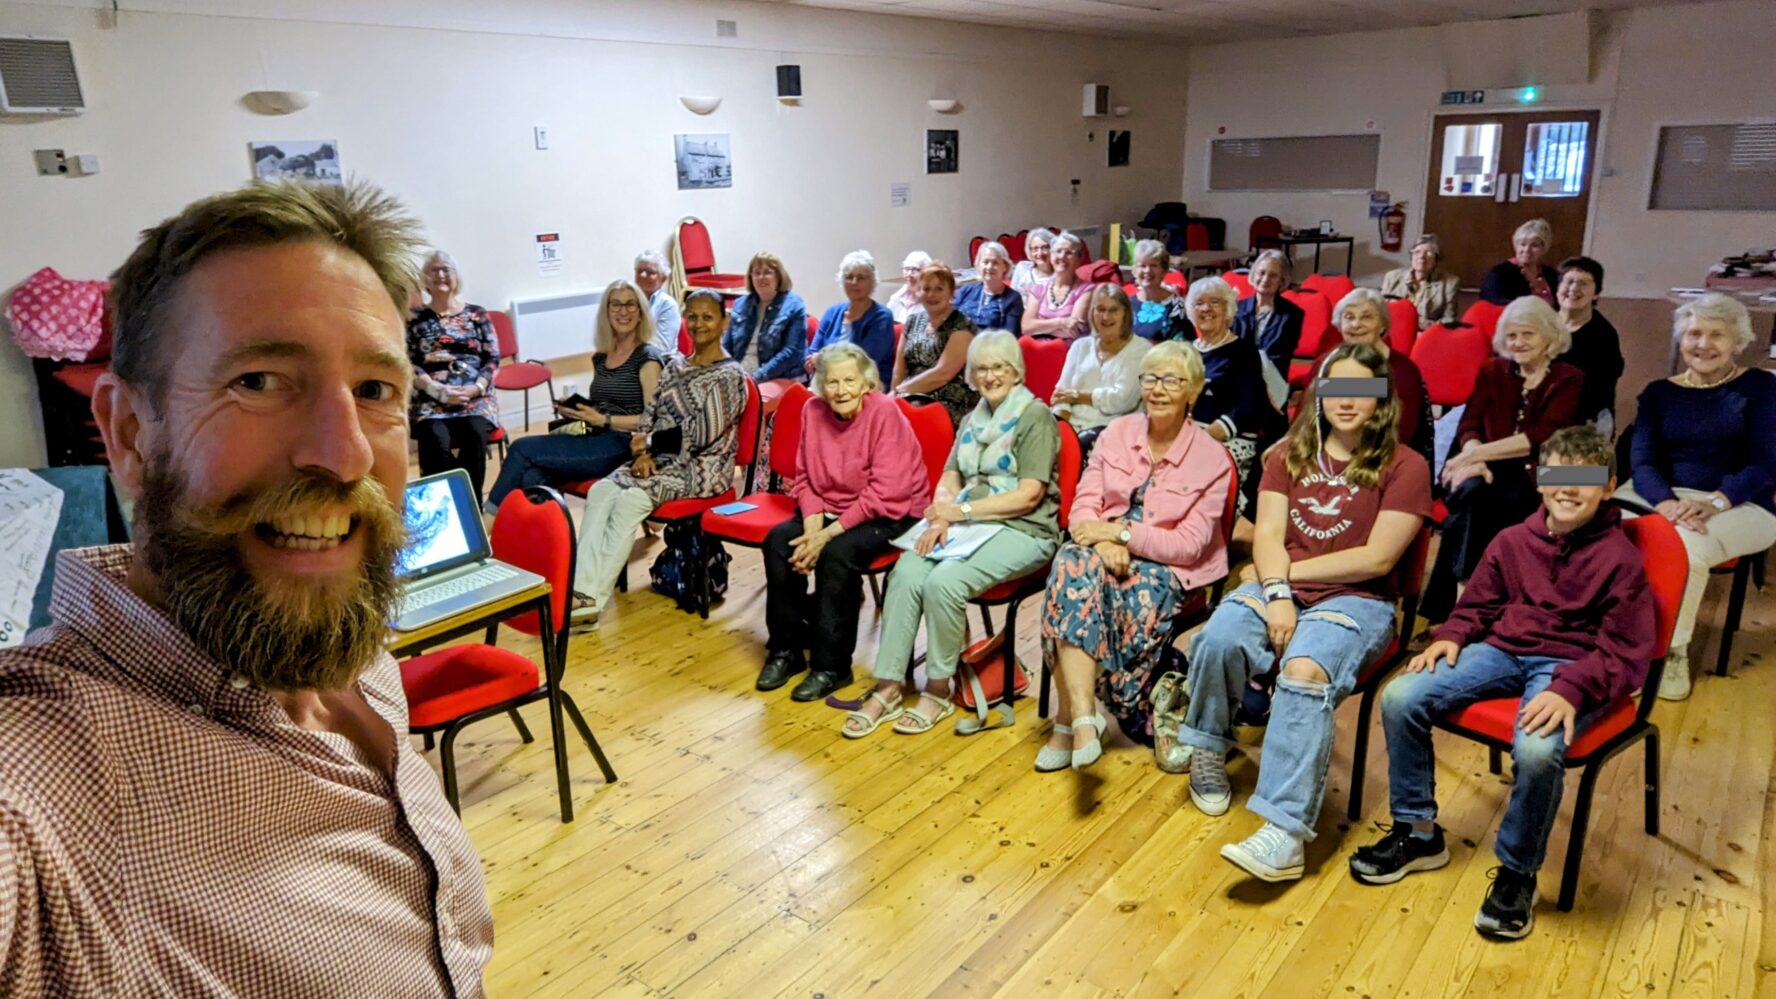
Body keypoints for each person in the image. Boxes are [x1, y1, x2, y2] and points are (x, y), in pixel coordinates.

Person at [0, 180, 492, 993]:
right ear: (126, 432)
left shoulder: (350, 651)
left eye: (375, 391)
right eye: (259, 381)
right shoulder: (48, 797)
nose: (345, 457)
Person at [1353, 426, 1655, 941]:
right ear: (1541, 481)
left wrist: (1571, 689)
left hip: (1571, 669)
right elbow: (1479, 605)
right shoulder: (1514, 539)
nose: (1567, 488)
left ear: (1608, 488)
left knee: (1537, 751)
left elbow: (1626, 653)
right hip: (1503, 650)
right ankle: (1419, 831)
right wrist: (1451, 635)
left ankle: (1518, 872)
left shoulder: (1621, 560)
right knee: (1403, 696)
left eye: (1584, 479)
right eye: (1558, 474)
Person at [1178, 343, 1431, 883]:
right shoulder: (1288, 455)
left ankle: (1284, 832)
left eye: (1361, 391)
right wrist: (1275, 593)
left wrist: (1283, 581)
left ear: (1380, 400)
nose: (1346, 402)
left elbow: (1377, 558)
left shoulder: (1407, 465)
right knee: (1220, 635)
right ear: (1319, 393)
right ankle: (1207, 748)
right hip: (1281, 582)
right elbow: (1266, 535)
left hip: (1358, 599)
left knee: (1304, 671)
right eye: (1336, 387)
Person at [842, 330, 1062, 738]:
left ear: (1015, 371)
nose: (990, 376)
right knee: (906, 571)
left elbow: (1029, 495)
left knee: (945, 581)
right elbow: (950, 474)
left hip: (1024, 529)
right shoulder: (972, 417)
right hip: (968, 523)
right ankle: (889, 684)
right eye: (981, 368)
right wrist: (941, 519)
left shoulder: (1035, 416)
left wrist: (957, 511)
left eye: (999, 367)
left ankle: (939, 689)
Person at [1037, 341, 1232, 771]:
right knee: (1072, 565)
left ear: (1193, 392)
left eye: (1171, 380)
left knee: (1084, 585)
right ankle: (1083, 719)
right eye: (1150, 378)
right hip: (1101, 549)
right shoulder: (1118, 432)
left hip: (1168, 569)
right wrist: (1104, 542)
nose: (1158, 389)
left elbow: (1188, 545)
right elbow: (1084, 505)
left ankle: (1067, 719)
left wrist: (1121, 533)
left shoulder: (1211, 457)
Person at [1618, 293, 1776, 700]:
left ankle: (1670, 651)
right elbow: (1643, 461)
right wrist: (1667, 504)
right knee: (1598, 530)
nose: (1703, 344)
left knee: (1682, 547)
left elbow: (1766, 464)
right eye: (1694, 333)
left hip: (1741, 502)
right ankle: (1610, 640)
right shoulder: (1657, 393)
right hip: (1659, 496)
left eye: (1715, 335)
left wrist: (1717, 501)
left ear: (1737, 341)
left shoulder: (1761, 389)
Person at [757, 344, 930, 701]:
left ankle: (831, 667)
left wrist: (824, 536)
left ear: (867, 382)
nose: (841, 390)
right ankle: (785, 651)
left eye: (850, 380)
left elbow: (886, 492)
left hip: (893, 512)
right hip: (833, 507)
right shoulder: (812, 410)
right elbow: (804, 478)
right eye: (832, 382)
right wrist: (810, 529)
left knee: (837, 553)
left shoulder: (884, 412)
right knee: (778, 542)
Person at [572, 289, 748, 626]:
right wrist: (640, 449)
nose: (698, 324)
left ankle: (593, 598)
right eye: (692, 316)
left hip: (702, 468)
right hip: (659, 459)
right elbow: (650, 413)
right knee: (601, 491)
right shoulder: (676, 364)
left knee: (630, 501)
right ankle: (582, 590)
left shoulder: (729, 376)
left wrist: (648, 445)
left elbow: (700, 434)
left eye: (707, 317)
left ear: (724, 322)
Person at [1422, 296, 1583, 621]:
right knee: (1472, 493)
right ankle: (1467, 610)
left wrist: (1479, 454)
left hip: (1543, 472)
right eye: (1511, 336)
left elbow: (1545, 435)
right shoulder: (1492, 370)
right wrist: (1473, 457)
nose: (1518, 342)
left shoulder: (1569, 378)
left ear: (1549, 336)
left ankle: (1457, 612)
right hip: (1483, 466)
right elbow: (1469, 422)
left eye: (1528, 334)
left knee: (1482, 500)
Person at [483, 278, 664, 511]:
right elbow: (604, 404)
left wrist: (605, 420)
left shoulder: (647, 357)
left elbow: (653, 420)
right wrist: (578, 410)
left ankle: (487, 523)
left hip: (623, 444)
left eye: (630, 305)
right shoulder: (602, 356)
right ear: (606, 312)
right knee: (533, 476)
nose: (623, 311)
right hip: (594, 435)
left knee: (520, 448)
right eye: (615, 305)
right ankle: (547, 542)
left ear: (641, 312)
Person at [1183, 276, 1287, 517]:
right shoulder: (1186, 350)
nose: (1206, 308)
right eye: (1199, 303)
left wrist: (1206, 436)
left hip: (1227, 438)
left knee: (1192, 475)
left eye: (1215, 302)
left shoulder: (1244, 353)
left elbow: (1248, 406)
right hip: (1185, 436)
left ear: (1228, 310)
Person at [407, 249, 500, 501]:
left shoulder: (477, 314)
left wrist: (476, 389)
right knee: (435, 439)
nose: (440, 275)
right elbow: (407, 362)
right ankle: (443, 503)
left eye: (446, 269)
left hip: (474, 397)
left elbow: (492, 359)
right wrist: (438, 391)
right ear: (425, 280)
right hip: (431, 397)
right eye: (434, 270)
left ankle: (471, 504)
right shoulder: (413, 319)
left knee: (474, 433)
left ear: (456, 277)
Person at [1314, 287, 1434, 464]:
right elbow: (1309, 417)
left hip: (1383, 458)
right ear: (1339, 325)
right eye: (1349, 317)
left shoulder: (1402, 371)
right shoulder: (1324, 364)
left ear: (1383, 325)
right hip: (1326, 454)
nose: (1356, 324)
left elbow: (1402, 433)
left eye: (1366, 317)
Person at [1050, 284, 1152, 451]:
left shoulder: (1141, 350)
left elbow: (1122, 400)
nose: (1106, 317)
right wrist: (1061, 432)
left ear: (1126, 314)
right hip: (1073, 427)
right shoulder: (1080, 346)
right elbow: (1061, 395)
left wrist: (1077, 396)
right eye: (1101, 309)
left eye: (1113, 310)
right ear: (1092, 312)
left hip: (1113, 434)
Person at [892, 261, 979, 427]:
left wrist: (900, 393)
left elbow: (942, 374)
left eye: (939, 289)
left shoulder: (962, 326)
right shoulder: (912, 321)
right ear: (918, 292)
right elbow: (898, 370)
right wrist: (894, 398)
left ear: (951, 293)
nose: (932, 295)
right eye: (926, 289)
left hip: (949, 402)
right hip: (908, 396)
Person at [724, 251, 808, 414]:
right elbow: (726, 347)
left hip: (780, 376)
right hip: (741, 373)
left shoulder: (794, 305)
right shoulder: (741, 304)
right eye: (757, 273)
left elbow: (792, 353)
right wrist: (726, 372)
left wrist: (756, 377)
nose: (761, 277)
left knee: (753, 402)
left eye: (768, 272)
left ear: (779, 277)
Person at [807, 249, 896, 389]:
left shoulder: (882, 316)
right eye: (849, 277)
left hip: (866, 385)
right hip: (827, 383)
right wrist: (813, 360)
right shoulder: (832, 312)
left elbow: (864, 362)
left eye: (861, 278)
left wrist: (822, 360)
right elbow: (812, 352)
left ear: (872, 282)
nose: (854, 282)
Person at [1555, 256, 1623, 436]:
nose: (1574, 288)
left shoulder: (1603, 335)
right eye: (1568, 282)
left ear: (1596, 293)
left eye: (1583, 283)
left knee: (1556, 465)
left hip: (1585, 423)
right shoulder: (1541, 324)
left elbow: (1595, 394)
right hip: (1542, 416)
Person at [1232, 248, 1305, 376]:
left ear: (1281, 281)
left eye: (1273, 275)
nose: (1265, 279)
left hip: (1271, 381)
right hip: (1237, 378)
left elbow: (1278, 357)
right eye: (1262, 273)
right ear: (1254, 275)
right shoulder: (1234, 309)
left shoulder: (1293, 315)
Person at [1021, 231, 1093, 340]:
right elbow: (1026, 327)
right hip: (1039, 350)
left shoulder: (1086, 289)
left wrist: (1039, 327)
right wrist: (1061, 322)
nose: (1062, 257)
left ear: (1078, 259)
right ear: (1051, 256)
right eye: (1057, 251)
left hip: (1070, 351)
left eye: (1069, 253)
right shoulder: (1038, 289)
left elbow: (1074, 331)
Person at [1381, 234, 1459, 330]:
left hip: (1426, 334)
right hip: (1393, 330)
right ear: (1412, 256)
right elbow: (1381, 310)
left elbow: (1449, 320)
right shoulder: (1392, 277)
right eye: (1417, 252)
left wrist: (1418, 324)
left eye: (1428, 253)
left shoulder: (1449, 283)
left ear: (1436, 259)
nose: (1421, 256)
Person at [1479, 219, 1558, 306]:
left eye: (1534, 245)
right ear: (1515, 246)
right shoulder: (1500, 273)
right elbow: (1490, 302)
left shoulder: (1551, 274)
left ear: (1544, 248)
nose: (1527, 250)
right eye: (1523, 244)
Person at [953, 240, 1024, 335]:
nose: (989, 267)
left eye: (995, 263)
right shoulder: (966, 291)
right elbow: (949, 319)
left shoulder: (1013, 298)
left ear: (1005, 267)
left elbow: (1010, 336)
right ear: (978, 265)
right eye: (985, 262)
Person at [1129, 238, 1192, 342]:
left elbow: (1179, 347)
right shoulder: (1128, 303)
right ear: (1134, 271)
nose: (1147, 271)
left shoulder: (1176, 305)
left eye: (1154, 265)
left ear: (1164, 270)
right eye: (1143, 266)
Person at [634, 248, 682, 358]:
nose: (642, 275)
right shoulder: (627, 300)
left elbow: (662, 348)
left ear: (663, 279)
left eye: (650, 272)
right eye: (639, 271)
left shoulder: (668, 304)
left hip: (659, 363)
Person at [887, 250, 933, 323]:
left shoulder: (933, 301)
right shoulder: (896, 298)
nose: (909, 274)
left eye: (915, 269)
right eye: (906, 269)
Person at [1011, 228, 1056, 295]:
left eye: (1045, 247)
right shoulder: (1022, 268)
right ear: (1029, 251)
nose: (1040, 253)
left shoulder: (1061, 274)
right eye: (1035, 249)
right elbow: (1012, 298)